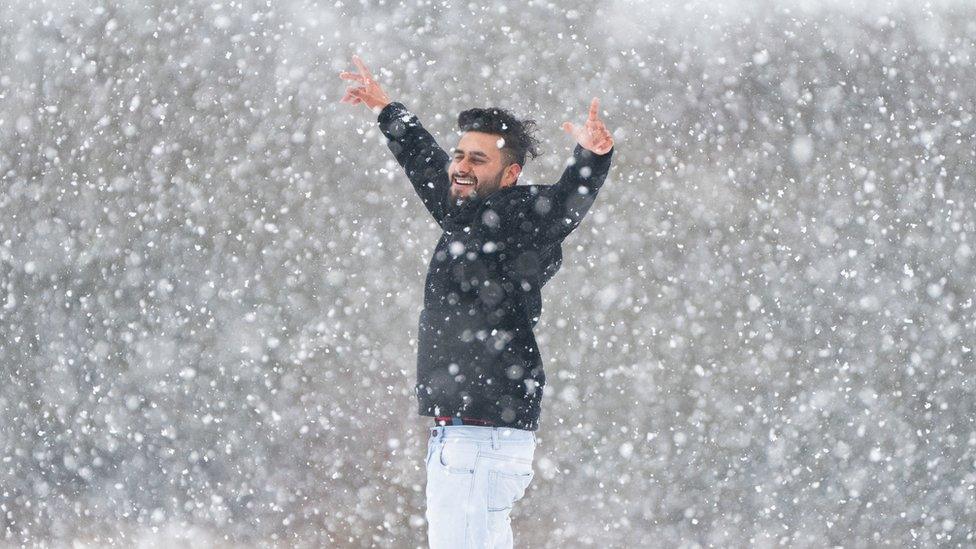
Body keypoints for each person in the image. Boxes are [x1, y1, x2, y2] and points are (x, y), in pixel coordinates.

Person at [339, 55, 614, 548]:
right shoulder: (467, 215)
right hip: (470, 436)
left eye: (477, 159)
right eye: (459, 155)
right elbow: (428, 167)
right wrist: (389, 111)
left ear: (509, 176)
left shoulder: (515, 217)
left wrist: (590, 161)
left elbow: (561, 207)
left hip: (481, 437)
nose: (461, 167)